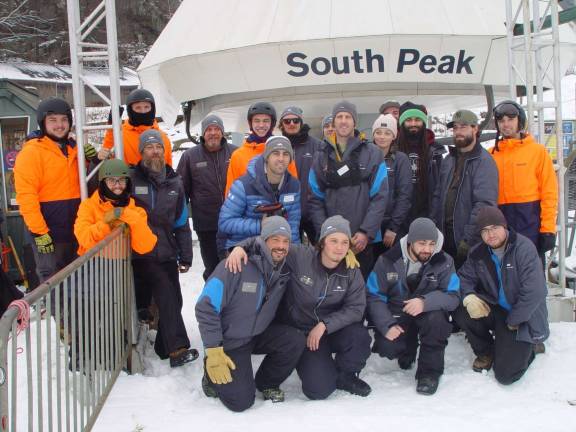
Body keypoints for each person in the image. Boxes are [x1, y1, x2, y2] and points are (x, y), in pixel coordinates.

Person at [227, 216, 371, 399]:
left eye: (344, 242)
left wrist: (325, 325)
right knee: (319, 390)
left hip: (330, 329)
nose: (339, 247)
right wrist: (240, 247)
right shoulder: (300, 256)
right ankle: (310, 363)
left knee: (359, 335)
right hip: (302, 333)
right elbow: (268, 243)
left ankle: (346, 375)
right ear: (322, 242)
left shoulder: (351, 270)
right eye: (333, 241)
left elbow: (356, 308)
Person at [196, 216, 306, 411]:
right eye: (275, 240)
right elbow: (205, 306)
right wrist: (213, 348)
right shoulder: (235, 265)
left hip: (259, 333)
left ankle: (267, 383)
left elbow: (316, 256)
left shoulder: (285, 267)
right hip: (231, 340)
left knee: (295, 340)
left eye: (285, 241)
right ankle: (210, 375)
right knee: (241, 402)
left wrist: (345, 251)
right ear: (263, 241)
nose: (281, 246)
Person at [453, 206, 549, 384]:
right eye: (485, 231)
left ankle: (531, 347)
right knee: (460, 309)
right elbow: (462, 279)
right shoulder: (478, 252)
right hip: (498, 310)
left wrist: (515, 319)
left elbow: (535, 291)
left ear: (504, 226)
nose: (490, 235)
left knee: (506, 375)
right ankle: (486, 351)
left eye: (495, 228)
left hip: (522, 317)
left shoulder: (523, 248)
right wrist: (468, 297)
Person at [367, 218, 460, 395]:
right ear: (410, 242)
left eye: (432, 244)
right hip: (398, 315)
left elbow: (453, 295)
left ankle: (429, 373)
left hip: (427, 314)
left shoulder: (444, 261)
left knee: (437, 320)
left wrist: (425, 302)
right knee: (388, 348)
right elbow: (374, 295)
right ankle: (407, 348)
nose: (427, 249)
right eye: (422, 243)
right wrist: (387, 325)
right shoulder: (387, 260)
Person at [130, 129, 197, 368]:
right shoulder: (132, 178)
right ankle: (177, 349)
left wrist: (185, 255)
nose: (155, 151)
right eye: (149, 147)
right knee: (166, 297)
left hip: (166, 250)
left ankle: (162, 347)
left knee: (175, 301)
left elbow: (181, 222)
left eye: (158, 147)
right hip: (139, 253)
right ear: (142, 152)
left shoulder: (175, 181)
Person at [309, 100, 388, 278]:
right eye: (339, 117)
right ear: (333, 122)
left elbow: (380, 197)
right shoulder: (320, 156)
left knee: (361, 287)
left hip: (361, 241)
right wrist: (325, 234)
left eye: (348, 117)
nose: (343, 121)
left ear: (355, 122)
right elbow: (315, 198)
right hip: (332, 243)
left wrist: (366, 232)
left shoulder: (373, 153)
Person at [14, 97, 88, 283]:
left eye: (64, 120)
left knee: (76, 280)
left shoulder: (74, 149)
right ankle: (54, 313)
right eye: (53, 120)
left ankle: (72, 313)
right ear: (42, 123)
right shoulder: (32, 153)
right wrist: (39, 232)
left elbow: (84, 182)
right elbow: (26, 196)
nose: (59, 125)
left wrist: (90, 160)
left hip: (75, 230)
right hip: (49, 232)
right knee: (51, 280)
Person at [489, 100, 558, 264]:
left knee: (530, 273)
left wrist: (548, 229)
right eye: (501, 121)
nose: (506, 125)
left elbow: (549, 193)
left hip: (529, 222)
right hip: (500, 223)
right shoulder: (491, 154)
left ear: (520, 121)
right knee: (502, 272)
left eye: (510, 120)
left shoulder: (537, 152)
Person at [430, 110, 498, 268]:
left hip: (466, 241)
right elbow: (438, 196)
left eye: (463, 127)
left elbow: (484, 204)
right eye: (455, 128)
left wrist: (468, 239)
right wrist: (434, 227)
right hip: (444, 238)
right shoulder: (449, 159)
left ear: (475, 129)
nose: (458, 132)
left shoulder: (484, 162)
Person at [176, 115, 237, 280]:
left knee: (234, 268)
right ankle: (213, 303)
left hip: (234, 223)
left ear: (222, 132)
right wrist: (178, 223)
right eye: (209, 129)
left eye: (217, 129)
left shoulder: (235, 152)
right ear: (203, 134)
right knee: (213, 269)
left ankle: (233, 303)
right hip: (207, 225)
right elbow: (181, 192)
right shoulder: (190, 157)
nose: (213, 133)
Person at [219, 135, 301, 250]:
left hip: (277, 249)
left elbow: (293, 226)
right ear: (266, 157)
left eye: (286, 154)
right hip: (244, 249)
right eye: (276, 153)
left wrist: (294, 253)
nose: (281, 159)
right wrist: (260, 226)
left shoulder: (293, 186)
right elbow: (225, 222)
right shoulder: (243, 185)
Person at [74, 159, 157, 255]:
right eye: (111, 180)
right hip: (93, 265)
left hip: (120, 266)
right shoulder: (88, 206)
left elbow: (145, 247)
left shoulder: (136, 211)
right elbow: (84, 239)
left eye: (122, 180)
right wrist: (107, 224)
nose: (117, 185)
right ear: (103, 183)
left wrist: (126, 214)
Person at [225, 102, 297, 195]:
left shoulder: (283, 151)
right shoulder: (238, 156)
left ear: (272, 123)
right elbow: (231, 192)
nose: (261, 125)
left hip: (279, 207)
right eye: (257, 121)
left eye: (266, 121)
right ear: (251, 123)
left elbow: (294, 187)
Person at [396, 101, 445, 228]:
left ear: (423, 122)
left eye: (417, 119)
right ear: (402, 123)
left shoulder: (435, 151)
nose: (413, 124)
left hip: (426, 215)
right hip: (398, 218)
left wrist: (433, 217)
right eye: (409, 120)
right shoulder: (393, 149)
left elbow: (439, 187)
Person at [371, 113, 412, 261]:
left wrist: (393, 227)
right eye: (378, 132)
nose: (382, 137)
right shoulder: (365, 157)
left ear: (394, 136)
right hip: (370, 224)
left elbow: (405, 195)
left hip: (391, 225)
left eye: (387, 133)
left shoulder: (400, 160)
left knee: (390, 267)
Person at [279, 106, 322, 242]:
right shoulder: (278, 146)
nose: (291, 124)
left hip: (312, 212)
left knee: (320, 252)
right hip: (287, 214)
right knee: (291, 254)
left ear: (301, 122)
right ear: (282, 124)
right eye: (287, 121)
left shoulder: (317, 146)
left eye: (295, 120)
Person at [98, 88, 173, 167]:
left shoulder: (162, 138)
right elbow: (107, 151)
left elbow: (168, 170)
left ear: (153, 108)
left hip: (154, 179)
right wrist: (112, 127)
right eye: (138, 108)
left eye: (146, 107)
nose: (143, 111)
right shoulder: (120, 134)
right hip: (127, 178)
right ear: (130, 110)